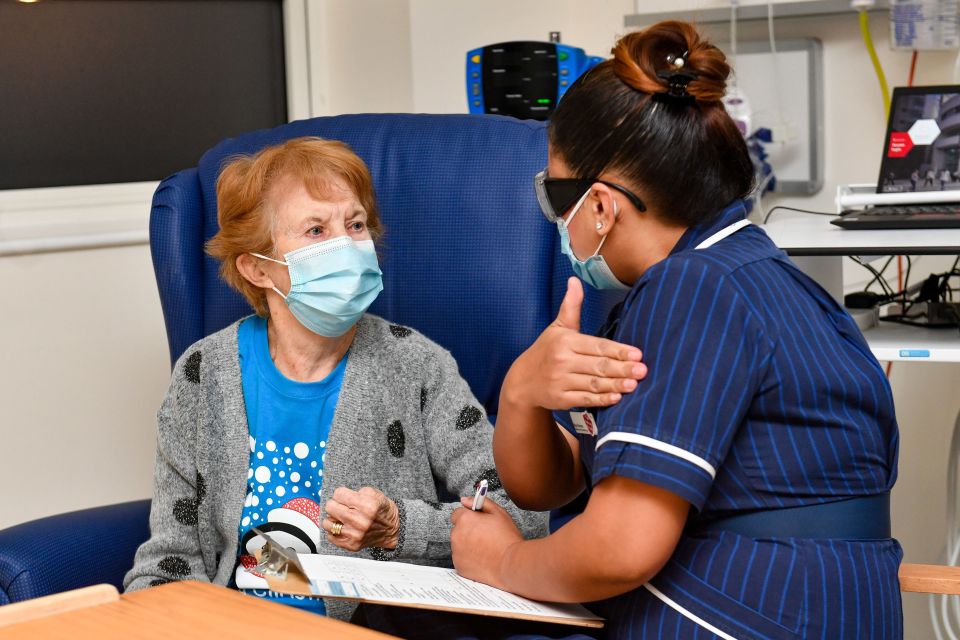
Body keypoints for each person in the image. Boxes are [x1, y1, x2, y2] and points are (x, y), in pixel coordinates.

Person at [451, 21, 902, 639]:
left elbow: (619, 547)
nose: (554, 219)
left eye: (556, 195)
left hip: (752, 611)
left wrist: (499, 562)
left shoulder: (694, 291)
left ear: (602, 207)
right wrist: (521, 391)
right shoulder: (745, 278)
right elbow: (553, 485)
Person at [123, 137, 547, 621]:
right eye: (317, 230)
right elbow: (169, 559)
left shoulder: (417, 365)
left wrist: (400, 527)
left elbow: (524, 514)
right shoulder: (204, 374)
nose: (346, 246)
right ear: (259, 267)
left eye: (356, 224)